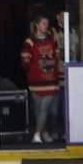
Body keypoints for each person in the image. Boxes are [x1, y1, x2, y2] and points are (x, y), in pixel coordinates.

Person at [20, 15, 63, 144]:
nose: (46, 26)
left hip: (51, 81)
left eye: (47, 23)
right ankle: (43, 132)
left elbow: (57, 56)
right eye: (43, 23)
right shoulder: (29, 42)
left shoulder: (52, 40)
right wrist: (34, 70)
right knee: (38, 109)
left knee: (44, 107)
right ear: (37, 25)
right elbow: (25, 60)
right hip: (36, 81)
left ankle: (37, 134)